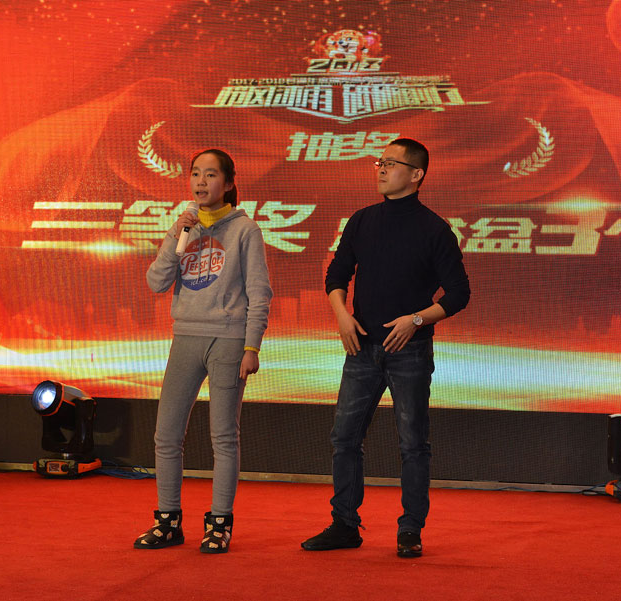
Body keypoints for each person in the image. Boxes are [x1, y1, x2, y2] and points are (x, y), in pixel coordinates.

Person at [301, 138, 470, 558]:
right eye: (380, 162)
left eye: (392, 163)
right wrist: (342, 315)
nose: (381, 169)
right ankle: (345, 524)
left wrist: (416, 320)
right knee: (344, 438)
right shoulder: (362, 220)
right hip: (361, 346)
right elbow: (337, 273)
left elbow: (459, 294)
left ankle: (410, 528)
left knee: (413, 443)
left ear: (416, 175)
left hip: (409, 350)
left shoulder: (435, 229)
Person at [134, 148, 272, 553]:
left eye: (210, 175)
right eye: (196, 173)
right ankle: (167, 522)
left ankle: (219, 524)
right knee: (166, 435)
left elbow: (259, 293)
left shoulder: (245, 230)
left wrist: (251, 346)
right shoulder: (184, 227)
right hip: (185, 337)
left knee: (223, 436)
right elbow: (156, 282)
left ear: (228, 183)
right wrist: (177, 236)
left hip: (228, 340)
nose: (201, 182)